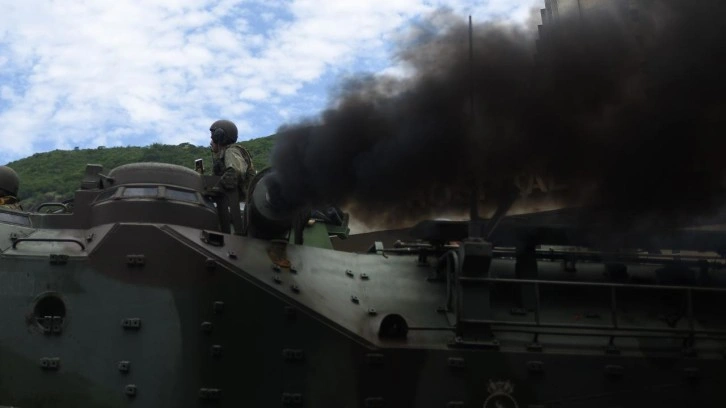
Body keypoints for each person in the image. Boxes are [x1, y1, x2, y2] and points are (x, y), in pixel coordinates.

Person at [209, 119, 256, 201]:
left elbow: (234, 172)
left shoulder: (232, 151)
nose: (210, 142)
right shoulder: (221, 158)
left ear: (218, 136)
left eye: (212, 137)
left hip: (244, 203)